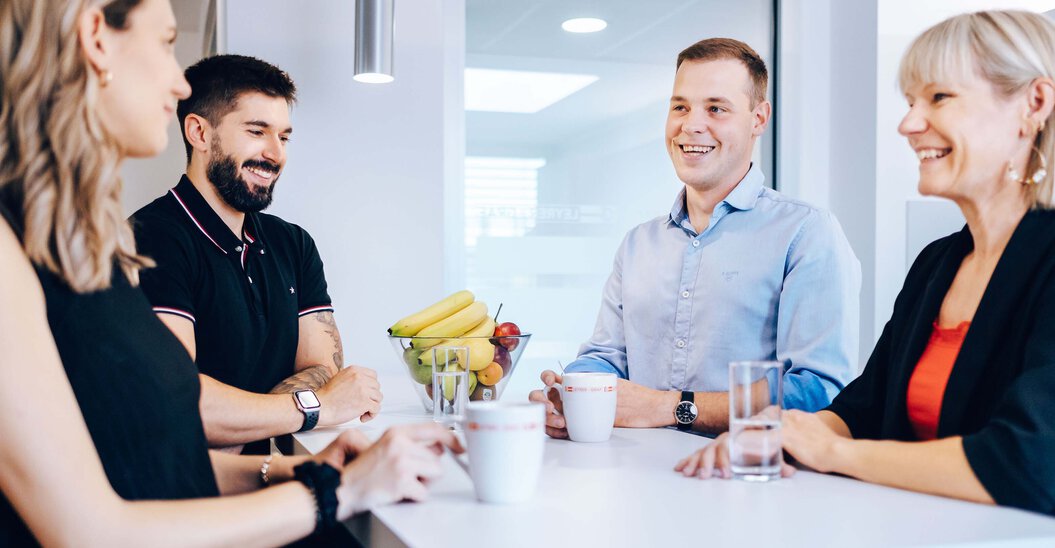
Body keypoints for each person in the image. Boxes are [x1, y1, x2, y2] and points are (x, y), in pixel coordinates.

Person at [0, 0, 460, 545]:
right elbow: (91, 531)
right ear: (97, 37)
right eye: (167, 43)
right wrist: (337, 487)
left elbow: (152, 460)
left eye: (284, 135)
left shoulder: (80, 243)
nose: (179, 83)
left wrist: (304, 467)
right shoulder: (45, 246)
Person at [677, 10, 1055, 516]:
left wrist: (833, 452)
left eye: (940, 97)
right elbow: (863, 410)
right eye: (911, 102)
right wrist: (777, 434)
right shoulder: (938, 264)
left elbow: (1030, 461)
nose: (908, 124)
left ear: (1034, 104)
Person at [529, 38, 861, 437]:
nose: (691, 125)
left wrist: (672, 407)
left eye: (716, 108)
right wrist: (573, 393)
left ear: (758, 119)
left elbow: (817, 390)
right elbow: (606, 358)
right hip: (635, 469)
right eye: (680, 107)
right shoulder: (638, 244)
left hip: (747, 471)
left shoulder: (806, 233)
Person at [129, 54, 381, 454]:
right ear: (199, 132)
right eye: (257, 131)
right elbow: (177, 400)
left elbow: (323, 367)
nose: (275, 154)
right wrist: (316, 406)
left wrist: (245, 417)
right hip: (194, 488)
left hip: (267, 472)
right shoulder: (149, 238)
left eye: (284, 137)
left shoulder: (294, 244)